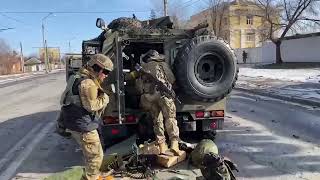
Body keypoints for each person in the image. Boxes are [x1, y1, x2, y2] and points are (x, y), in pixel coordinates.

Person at [59, 54, 113, 180]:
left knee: (93, 154)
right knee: (95, 156)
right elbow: (92, 106)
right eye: (105, 71)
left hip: (75, 122)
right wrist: (105, 99)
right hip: (83, 125)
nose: (106, 75)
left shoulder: (75, 77)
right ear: (96, 68)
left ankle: (94, 174)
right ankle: (91, 177)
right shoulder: (88, 82)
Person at [129, 50, 182, 155]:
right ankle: (174, 145)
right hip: (164, 96)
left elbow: (138, 86)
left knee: (157, 120)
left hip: (150, 97)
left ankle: (162, 146)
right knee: (170, 118)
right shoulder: (163, 65)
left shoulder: (142, 68)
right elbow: (171, 79)